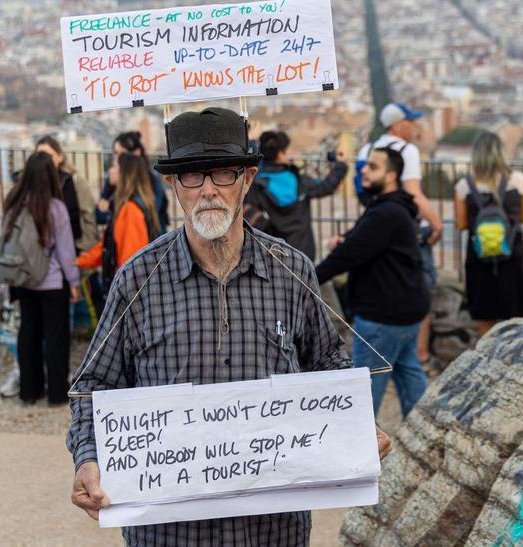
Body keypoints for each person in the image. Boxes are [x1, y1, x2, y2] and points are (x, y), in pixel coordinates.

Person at [67, 106, 391, 546]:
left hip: (273, 530)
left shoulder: (291, 270)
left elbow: (327, 364)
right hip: (169, 533)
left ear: (247, 180)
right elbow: (93, 386)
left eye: (222, 174)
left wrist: (357, 426)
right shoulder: (136, 279)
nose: (208, 191)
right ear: (173, 186)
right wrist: (88, 458)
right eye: (192, 177)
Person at [317, 147, 432, 417]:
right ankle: (424, 432)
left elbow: (348, 255)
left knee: (365, 392)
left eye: (373, 166)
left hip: (384, 315)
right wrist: (348, 239)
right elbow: (363, 238)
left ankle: (362, 447)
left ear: (391, 175)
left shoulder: (385, 213)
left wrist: (308, 277)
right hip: (408, 308)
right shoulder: (394, 207)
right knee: (409, 373)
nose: (364, 170)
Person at [357, 103, 443, 361]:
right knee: (420, 288)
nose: (414, 126)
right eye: (410, 121)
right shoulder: (407, 151)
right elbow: (413, 192)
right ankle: (419, 354)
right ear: (397, 124)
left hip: (374, 225)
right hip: (405, 228)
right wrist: (436, 223)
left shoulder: (368, 149)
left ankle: (387, 353)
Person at [2, 152, 81, 405]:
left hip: (23, 280)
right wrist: (75, 282)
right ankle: (57, 393)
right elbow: (65, 249)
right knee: (55, 338)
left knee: (28, 334)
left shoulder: (14, 201)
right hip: (51, 280)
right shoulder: (55, 208)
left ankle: (29, 391)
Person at [453, 132, 523, 337]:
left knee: (485, 319)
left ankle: (486, 362)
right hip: (512, 254)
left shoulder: (464, 186)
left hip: (479, 257)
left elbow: (461, 224)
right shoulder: (519, 181)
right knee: (517, 319)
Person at [243, 130, 348, 260]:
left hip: (272, 253)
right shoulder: (299, 180)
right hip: (302, 252)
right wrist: (340, 166)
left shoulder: (254, 183)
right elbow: (326, 186)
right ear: (280, 154)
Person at [76, 153, 158, 292]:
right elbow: (107, 247)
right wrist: (79, 262)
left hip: (128, 291)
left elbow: (131, 261)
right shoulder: (127, 206)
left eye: (114, 166)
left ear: (124, 173)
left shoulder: (130, 210)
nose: (110, 171)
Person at [35, 135, 98, 253]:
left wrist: (83, 247)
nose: (43, 161)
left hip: (71, 247)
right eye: (39, 156)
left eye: (48, 156)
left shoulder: (74, 181)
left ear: (60, 157)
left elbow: (88, 215)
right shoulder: (30, 184)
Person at [96, 131, 168, 233]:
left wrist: (111, 207)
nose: (117, 157)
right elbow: (99, 215)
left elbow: (149, 213)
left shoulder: (151, 179)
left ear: (137, 152)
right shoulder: (113, 179)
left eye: (122, 153)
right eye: (115, 153)